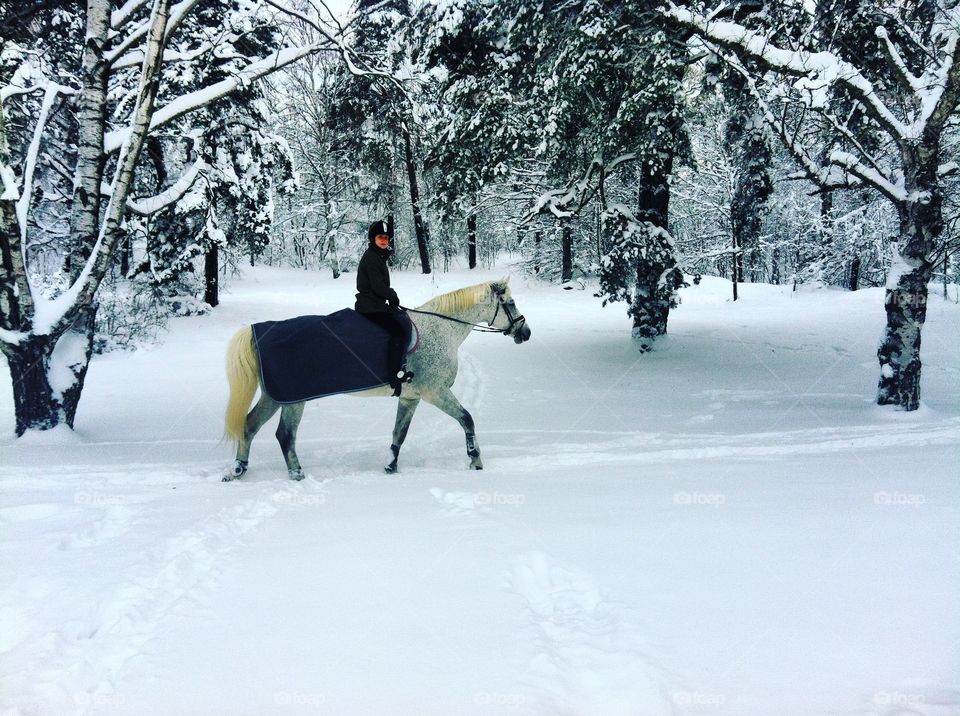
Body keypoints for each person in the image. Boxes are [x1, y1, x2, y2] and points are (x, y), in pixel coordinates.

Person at [355, 220, 413, 396]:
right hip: (370, 307)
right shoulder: (372, 258)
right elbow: (377, 286)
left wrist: (390, 300)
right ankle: (393, 375)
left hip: (376, 304)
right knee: (398, 332)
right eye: (380, 237)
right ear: (373, 238)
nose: (384, 240)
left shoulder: (378, 255)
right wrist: (392, 295)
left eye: (386, 238)